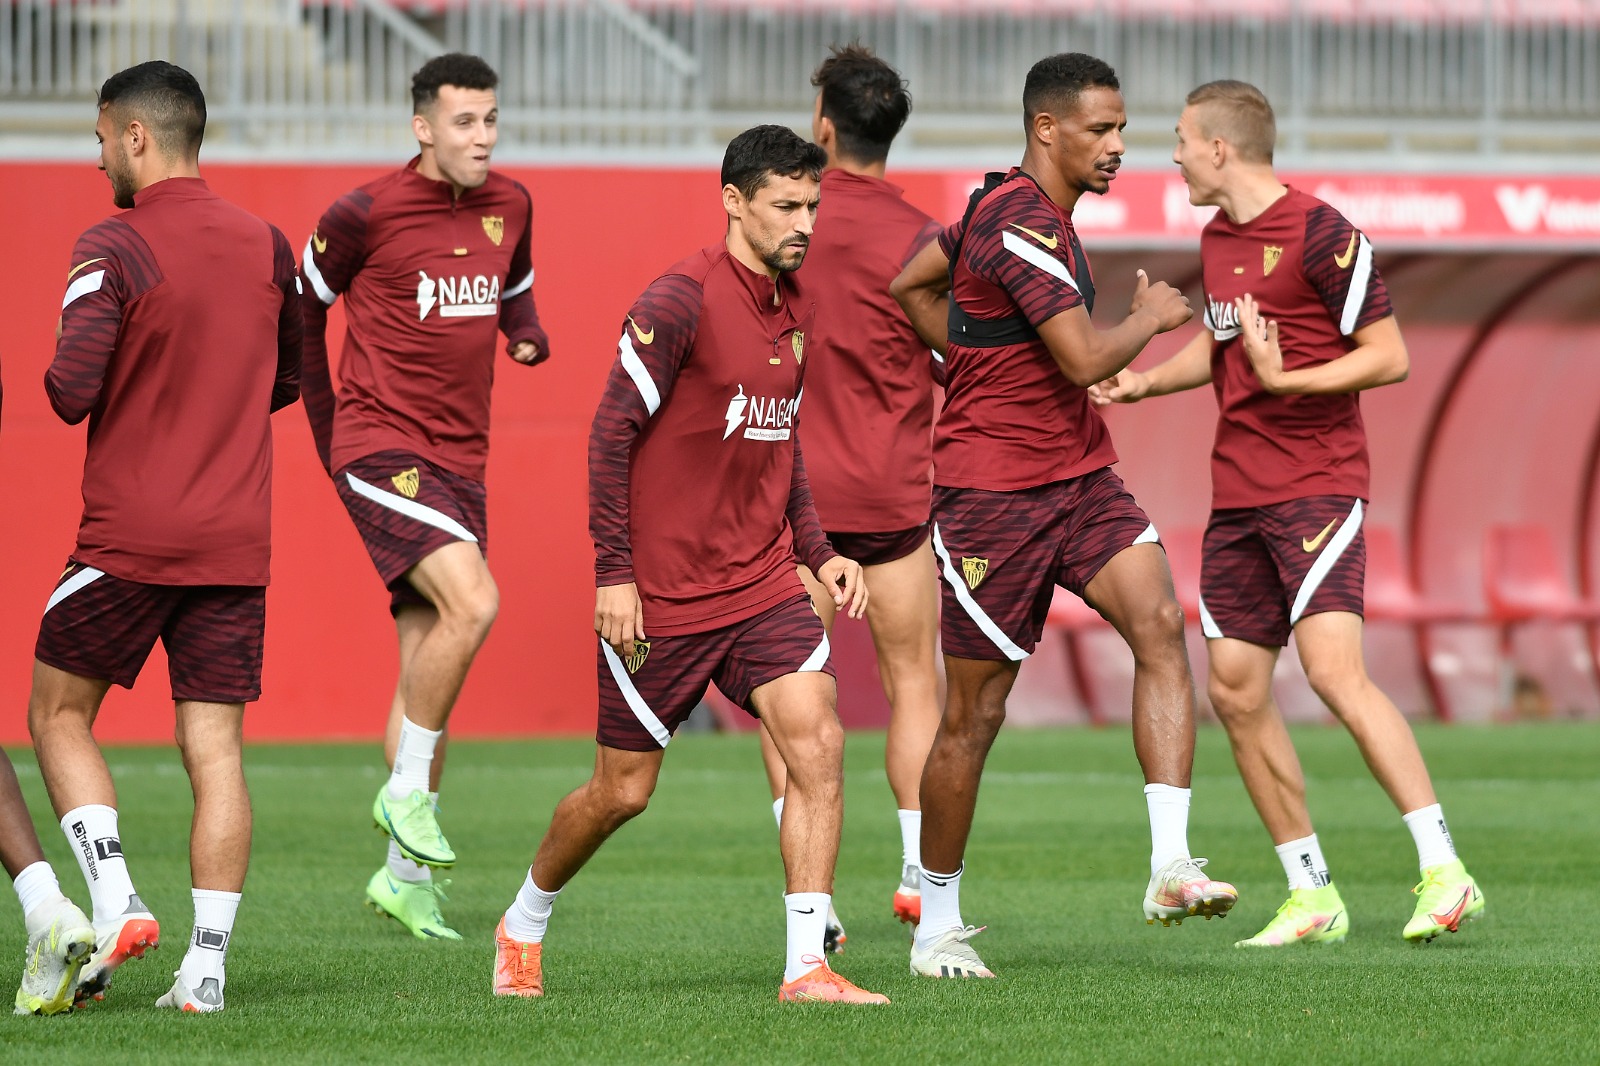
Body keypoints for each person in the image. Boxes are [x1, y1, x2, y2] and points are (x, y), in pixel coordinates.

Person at [492, 125, 887, 1006]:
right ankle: (523, 920)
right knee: (621, 793)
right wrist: (614, 573)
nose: (804, 223)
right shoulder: (677, 300)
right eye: (786, 206)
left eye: (812, 206)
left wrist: (819, 554)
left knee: (819, 740)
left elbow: (783, 446)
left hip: (759, 587)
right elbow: (608, 434)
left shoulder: (798, 308)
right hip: (662, 599)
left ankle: (806, 967)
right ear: (734, 201)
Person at [1093, 79, 1482, 946]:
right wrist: (1147, 381)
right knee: (1234, 692)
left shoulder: (1323, 232)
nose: (1175, 155)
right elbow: (1221, 340)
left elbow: (1389, 357)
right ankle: (1312, 893)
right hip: (1237, 495)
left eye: (1184, 141)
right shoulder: (1217, 237)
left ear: (1221, 148)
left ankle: (1446, 872)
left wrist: (1288, 381)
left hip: (1317, 482)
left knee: (1335, 673)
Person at [890, 52, 1237, 979]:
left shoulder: (989, 208)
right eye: (1102, 130)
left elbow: (912, 285)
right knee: (975, 715)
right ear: (1048, 128)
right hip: (991, 500)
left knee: (1163, 623)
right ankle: (936, 926)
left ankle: (1170, 864)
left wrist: (968, 355)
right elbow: (1084, 358)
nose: (1119, 147)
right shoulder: (1013, 220)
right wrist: (1155, 316)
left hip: (1079, 477)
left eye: (1124, 129)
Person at [28, 60, 302, 1012]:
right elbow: (285, 382)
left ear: (135, 134)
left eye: (100, 135)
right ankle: (207, 972)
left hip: (129, 539)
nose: (95, 152)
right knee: (215, 750)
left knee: (57, 715)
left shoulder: (113, 242)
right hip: (237, 542)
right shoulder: (271, 246)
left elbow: (69, 393)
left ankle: (116, 899)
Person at [299, 53, 550, 941]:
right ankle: (405, 793)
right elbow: (303, 304)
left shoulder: (512, 204)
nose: (481, 137)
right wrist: (327, 429)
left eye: (489, 119)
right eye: (464, 122)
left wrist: (525, 335)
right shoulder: (362, 213)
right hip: (379, 445)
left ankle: (406, 878)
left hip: (462, 459)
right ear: (423, 127)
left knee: (423, 664)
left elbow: (513, 288)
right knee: (475, 602)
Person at [754, 44, 945, 945]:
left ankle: (814, 899)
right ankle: (916, 870)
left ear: (822, 125)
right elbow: (960, 357)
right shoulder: (922, 237)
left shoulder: (789, 223)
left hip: (798, 505)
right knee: (915, 684)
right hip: (896, 495)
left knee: (794, 696)